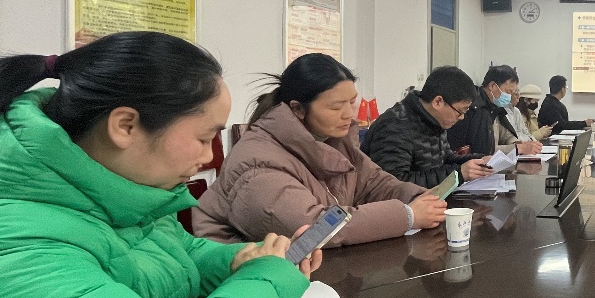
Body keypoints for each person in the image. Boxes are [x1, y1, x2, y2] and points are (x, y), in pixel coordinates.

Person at [0, 32, 317, 298]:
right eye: (203, 137)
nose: (210, 156)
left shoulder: (120, 188)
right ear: (125, 126)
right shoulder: (8, 239)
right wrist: (267, 281)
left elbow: (179, 254)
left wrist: (248, 261)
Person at [195, 53, 446, 245]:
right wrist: (407, 215)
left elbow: (374, 183)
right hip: (239, 276)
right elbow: (314, 228)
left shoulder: (333, 139)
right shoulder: (257, 163)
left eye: (352, 102)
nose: (349, 115)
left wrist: (419, 198)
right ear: (298, 109)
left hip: (305, 265)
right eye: (336, 107)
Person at [361, 66, 493, 187]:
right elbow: (394, 184)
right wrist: (457, 175)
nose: (462, 117)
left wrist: (479, 161)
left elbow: (446, 159)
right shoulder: (394, 127)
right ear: (438, 102)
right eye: (460, 111)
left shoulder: (433, 120)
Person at [446, 64, 542, 158]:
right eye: (507, 92)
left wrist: (517, 143)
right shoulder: (478, 109)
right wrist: (517, 148)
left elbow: (505, 134)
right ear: (492, 86)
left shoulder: (494, 107)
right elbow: (483, 150)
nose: (509, 97)